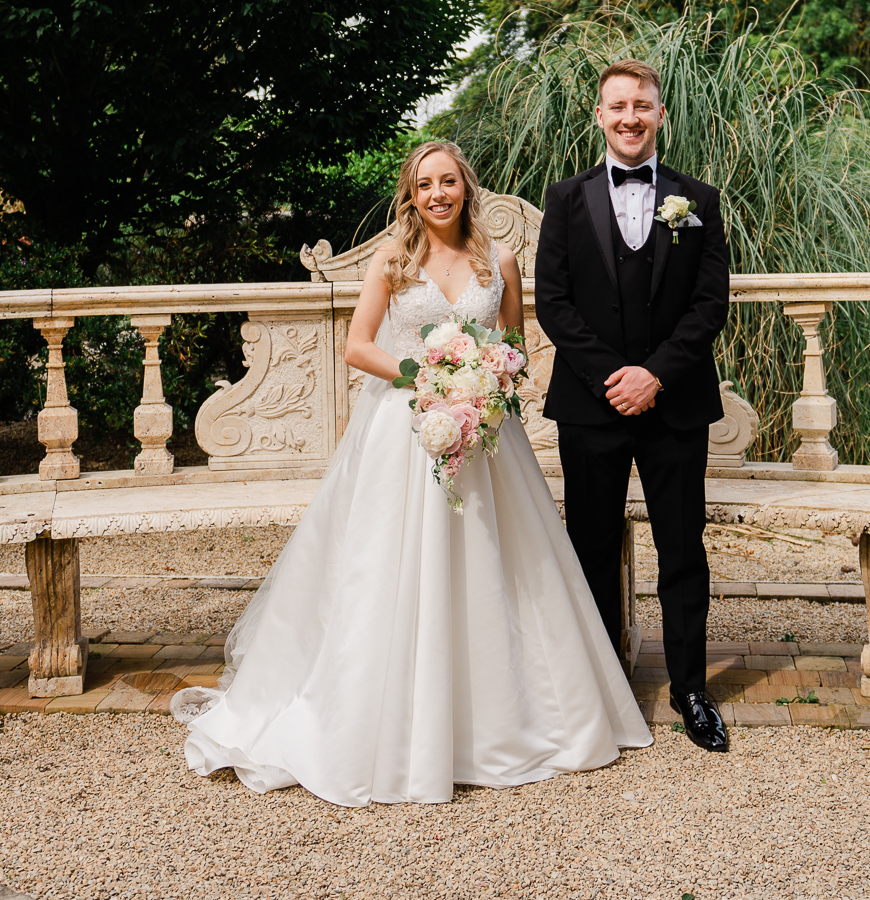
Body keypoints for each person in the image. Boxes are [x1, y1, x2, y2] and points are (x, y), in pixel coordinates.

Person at [173, 140, 651, 806]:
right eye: (424, 184)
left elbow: (513, 346)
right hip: (409, 430)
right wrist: (428, 376)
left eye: (448, 182)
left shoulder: (502, 261)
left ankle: (500, 719)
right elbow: (357, 345)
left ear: (466, 188)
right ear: (411, 194)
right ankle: (396, 722)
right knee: (392, 570)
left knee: (500, 566)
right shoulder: (393, 263)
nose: (437, 194)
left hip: (486, 435)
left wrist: (487, 381)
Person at [533, 58, 733, 752]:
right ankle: (600, 692)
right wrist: (612, 377)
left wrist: (655, 376)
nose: (629, 118)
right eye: (618, 106)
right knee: (589, 549)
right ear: (599, 115)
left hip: (675, 405)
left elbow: (710, 307)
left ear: (660, 115)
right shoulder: (565, 199)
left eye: (642, 106)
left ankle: (691, 691)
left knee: (683, 549)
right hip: (590, 408)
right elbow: (553, 303)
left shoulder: (698, 201)